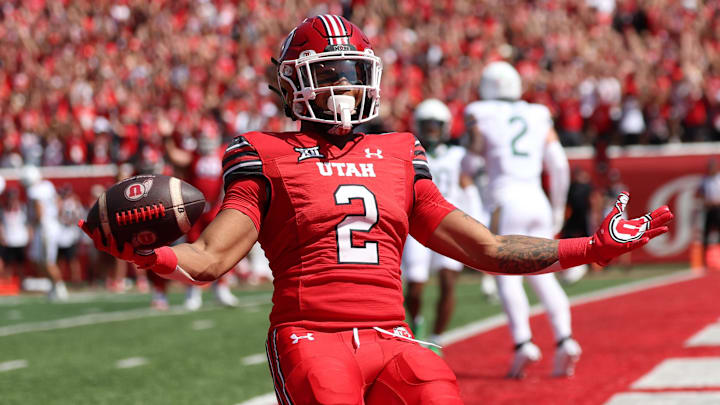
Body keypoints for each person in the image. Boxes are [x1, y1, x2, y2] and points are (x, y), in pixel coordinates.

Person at [81, 16, 672, 404]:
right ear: (292, 85)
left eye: (351, 72)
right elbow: (212, 259)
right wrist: (154, 255)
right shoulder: (263, 151)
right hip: (311, 336)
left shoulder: (398, 150)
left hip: (395, 336)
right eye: (328, 73)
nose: (342, 85)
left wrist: (591, 247)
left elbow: (486, 249)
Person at [464, 61, 579, 378]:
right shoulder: (538, 113)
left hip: (506, 199)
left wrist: (467, 176)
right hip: (537, 199)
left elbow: (470, 163)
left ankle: (523, 343)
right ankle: (565, 338)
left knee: (505, 275)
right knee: (544, 275)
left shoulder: (479, 111)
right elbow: (558, 165)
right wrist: (557, 209)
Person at [402, 98, 483, 354]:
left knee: (448, 281)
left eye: (436, 126)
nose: (431, 132)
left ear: (446, 127)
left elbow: (469, 188)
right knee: (414, 284)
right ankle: (417, 322)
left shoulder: (457, 156)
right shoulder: (408, 153)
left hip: (449, 225)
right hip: (417, 226)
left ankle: (437, 338)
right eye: (427, 126)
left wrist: (477, 222)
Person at [164, 126, 240, 310]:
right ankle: (193, 292)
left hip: (215, 208)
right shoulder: (194, 155)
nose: (206, 142)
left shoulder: (222, 153)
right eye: (203, 138)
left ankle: (221, 289)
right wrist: (167, 135)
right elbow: (175, 155)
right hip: (195, 210)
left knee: (221, 248)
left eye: (209, 138)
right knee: (192, 251)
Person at [21, 165, 68, 301]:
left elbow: (39, 212)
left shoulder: (34, 191)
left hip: (44, 227)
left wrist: (33, 225)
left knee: (46, 261)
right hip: (52, 225)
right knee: (40, 259)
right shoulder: (47, 185)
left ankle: (59, 287)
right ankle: (54, 286)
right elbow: (58, 202)